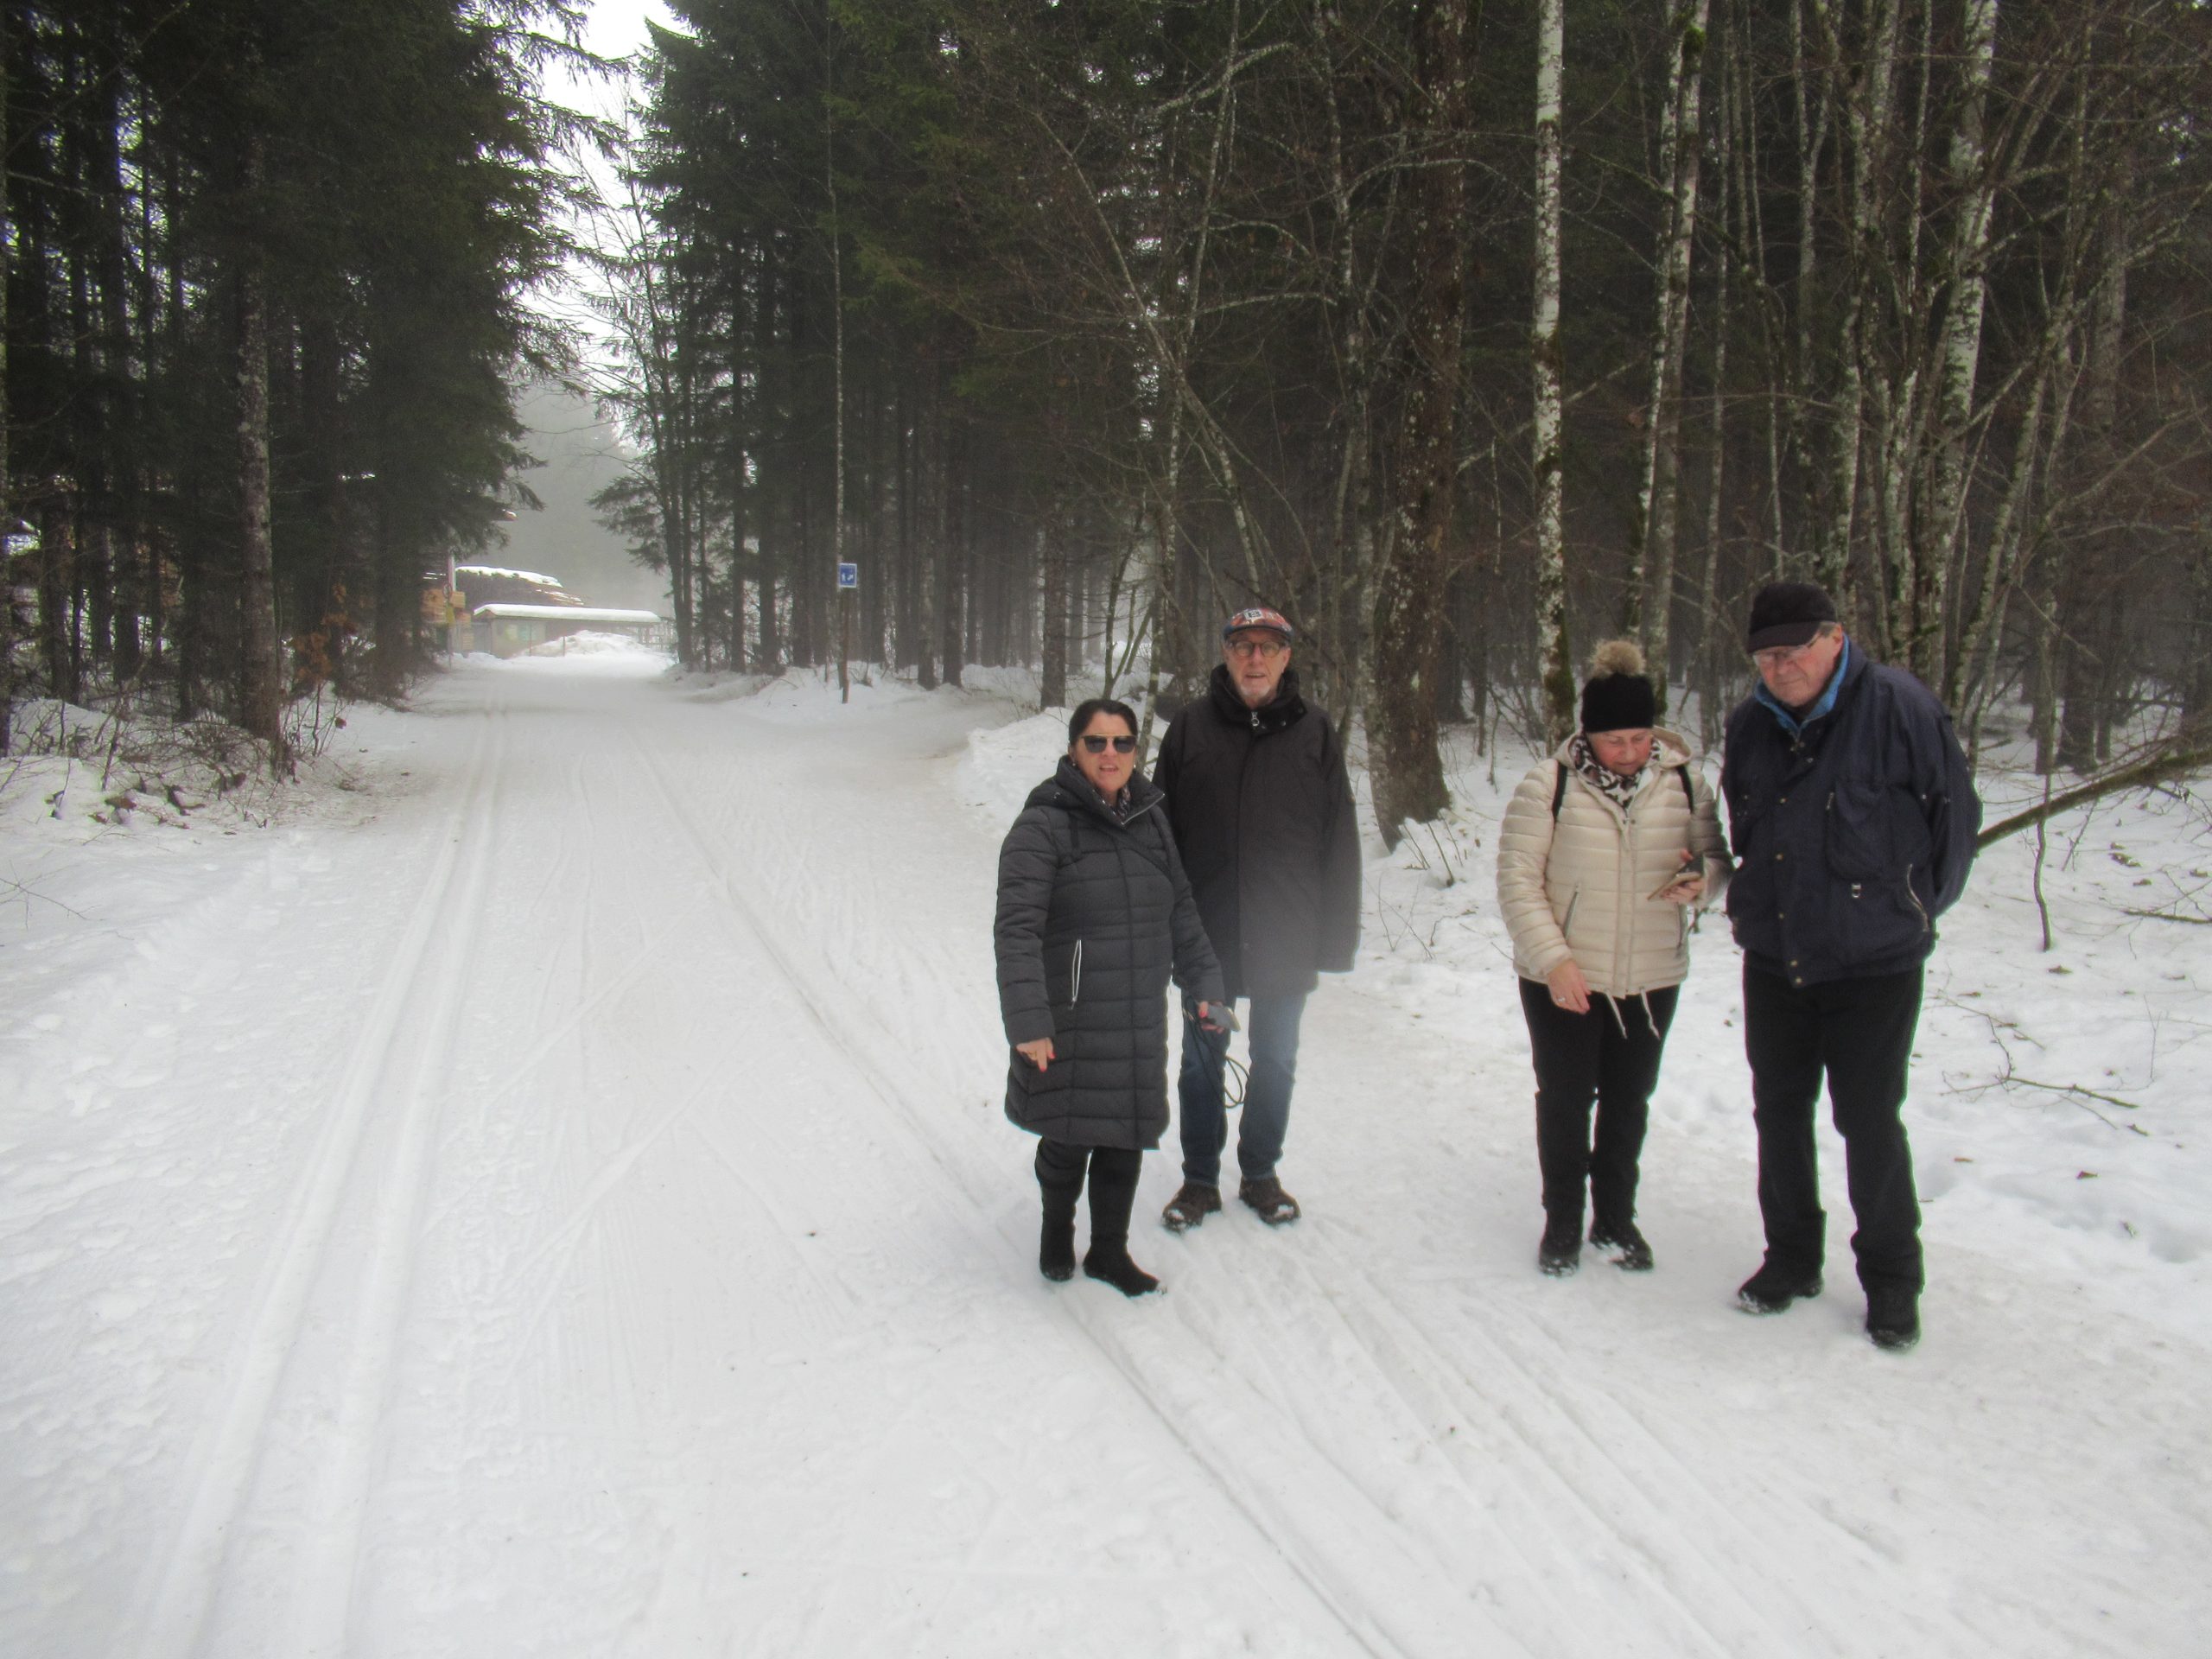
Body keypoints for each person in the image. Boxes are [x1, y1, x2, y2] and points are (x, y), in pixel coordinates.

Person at [1719, 580, 1981, 1351]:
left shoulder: (1901, 708)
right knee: (1779, 1112)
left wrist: (1909, 909)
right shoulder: (1749, 725)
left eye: (1796, 649)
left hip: (1874, 966)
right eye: (1767, 655)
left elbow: (1954, 822)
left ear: (1835, 638)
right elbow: (1747, 828)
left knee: (1867, 1120)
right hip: (1777, 957)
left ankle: (1893, 1279)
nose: (1782, 667)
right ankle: (1792, 1257)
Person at [1496, 641, 1732, 1276]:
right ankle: (1563, 1221)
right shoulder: (1548, 785)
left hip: (1652, 973)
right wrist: (1555, 961)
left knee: (1630, 1100)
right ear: (1587, 734)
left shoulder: (1683, 782)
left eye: (1638, 738)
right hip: (1564, 975)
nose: (1628, 752)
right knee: (1567, 1099)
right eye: (1613, 740)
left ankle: (1616, 1218)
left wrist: (1702, 881)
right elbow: (1517, 881)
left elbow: (1715, 859)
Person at [995, 698, 1228, 1296]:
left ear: (1135, 751)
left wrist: (1206, 985)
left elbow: (1182, 910)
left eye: (1122, 742)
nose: (1109, 753)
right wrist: (1028, 1021)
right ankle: (1056, 1229)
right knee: (1069, 1136)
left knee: (1126, 1136)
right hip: (1071, 1015)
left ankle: (1107, 1252)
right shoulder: (1042, 825)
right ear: (1074, 750)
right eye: (1095, 742)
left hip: (1138, 1014)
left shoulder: (1152, 820)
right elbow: (1017, 930)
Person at [1151, 607, 1361, 1230]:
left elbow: (1338, 841)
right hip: (1208, 939)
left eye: (1269, 647)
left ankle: (1261, 1172)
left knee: (1276, 1058)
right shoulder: (1190, 728)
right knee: (1201, 1061)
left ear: (1286, 657)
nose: (1255, 658)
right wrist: (1164, 930)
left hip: (1285, 937)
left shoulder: (1314, 732)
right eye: (1244, 645)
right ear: (1226, 653)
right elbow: (1160, 838)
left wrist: (1334, 940)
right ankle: (1198, 1179)